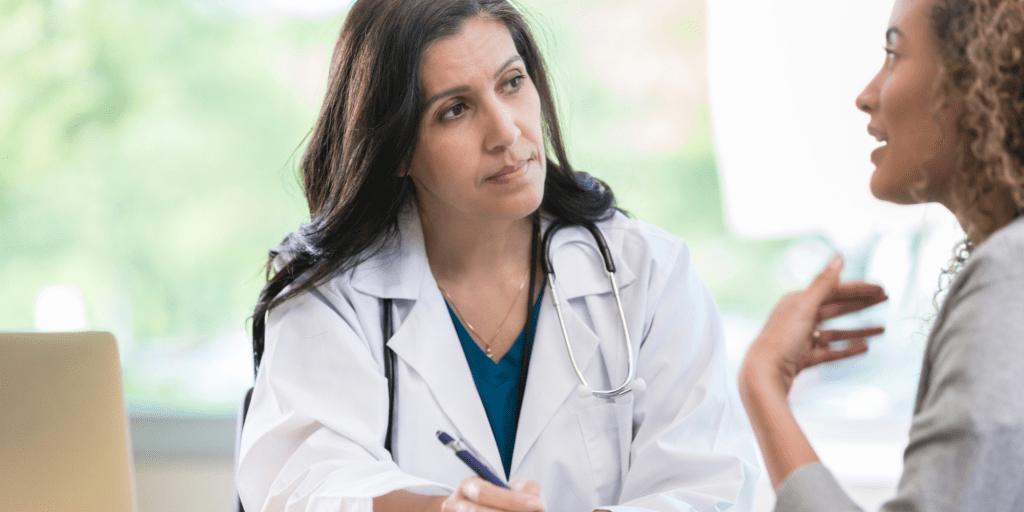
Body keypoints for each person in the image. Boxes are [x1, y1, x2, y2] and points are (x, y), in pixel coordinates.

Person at [236, 1, 760, 511]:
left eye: (512, 82)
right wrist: (446, 511)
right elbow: (300, 484)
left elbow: (709, 484)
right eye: (455, 110)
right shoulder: (333, 295)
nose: (506, 132)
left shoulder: (648, 274)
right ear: (395, 148)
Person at [738, 0, 1024, 510]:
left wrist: (762, 381)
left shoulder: (1009, 277)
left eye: (894, 55)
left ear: (978, 75)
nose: (866, 96)